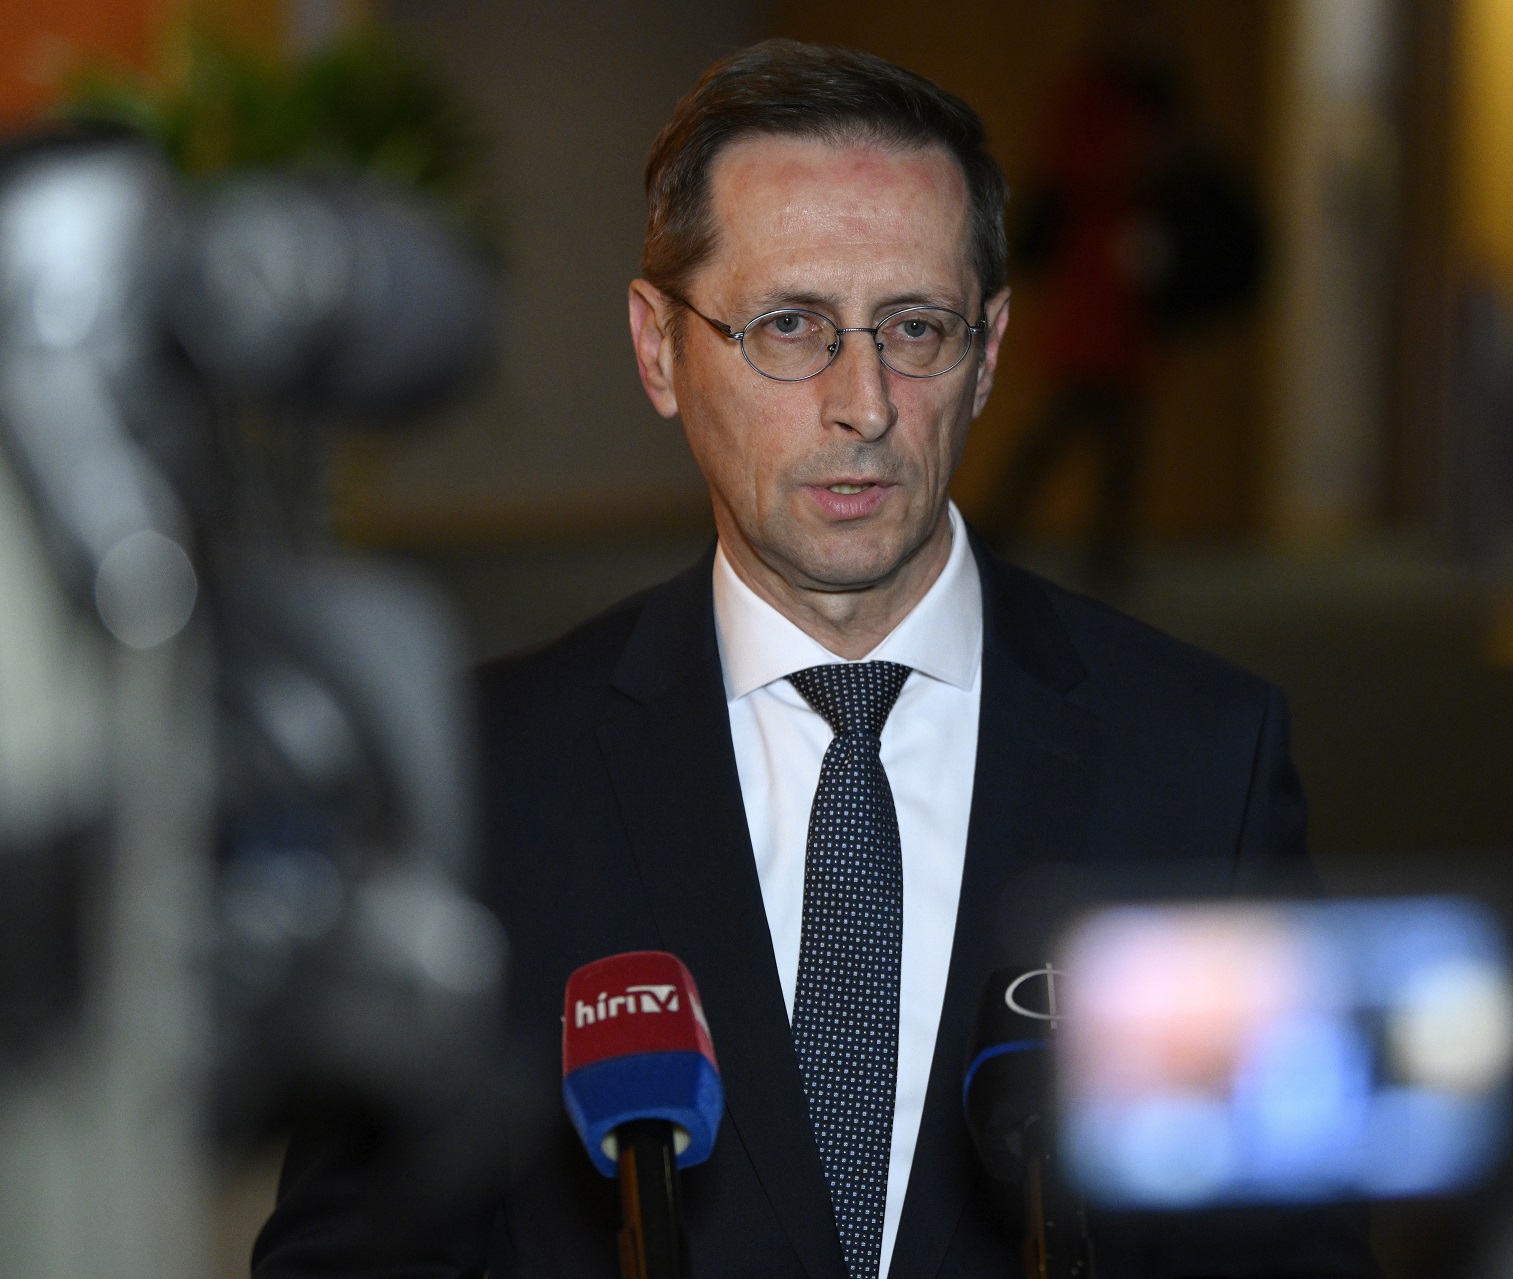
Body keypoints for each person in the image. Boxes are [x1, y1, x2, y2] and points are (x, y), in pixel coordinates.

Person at [253, 39, 1372, 1279]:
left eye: (916, 328)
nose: (865, 404)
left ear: (990, 352)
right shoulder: (480, 775)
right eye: (790, 326)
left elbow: (1291, 1248)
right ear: (659, 350)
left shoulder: (1201, 762)